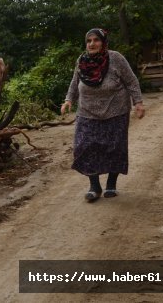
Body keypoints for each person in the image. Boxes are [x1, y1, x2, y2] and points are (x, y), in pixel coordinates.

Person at [60, 28, 145, 202]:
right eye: (89, 41)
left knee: (114, 148)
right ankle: (94, 186)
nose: (92, 44)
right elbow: (75, 82)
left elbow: (131, 80)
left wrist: (138, 102)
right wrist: (69, 100)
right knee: (84, 147)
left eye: (96, 40)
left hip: (115, 110)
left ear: (104, 42)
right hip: (87, 112)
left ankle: (111, 184)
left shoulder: (116, 58)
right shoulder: (81, 61)